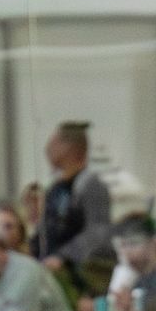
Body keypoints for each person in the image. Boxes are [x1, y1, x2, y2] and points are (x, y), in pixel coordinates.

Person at [36, 121, 114, 301]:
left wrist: (63, 257)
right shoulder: (55, 189)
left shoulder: (91, 186)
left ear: (70, 148)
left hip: (84, 275)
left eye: (53, 143)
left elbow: (98, 232)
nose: (48, 148)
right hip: (55, 270)